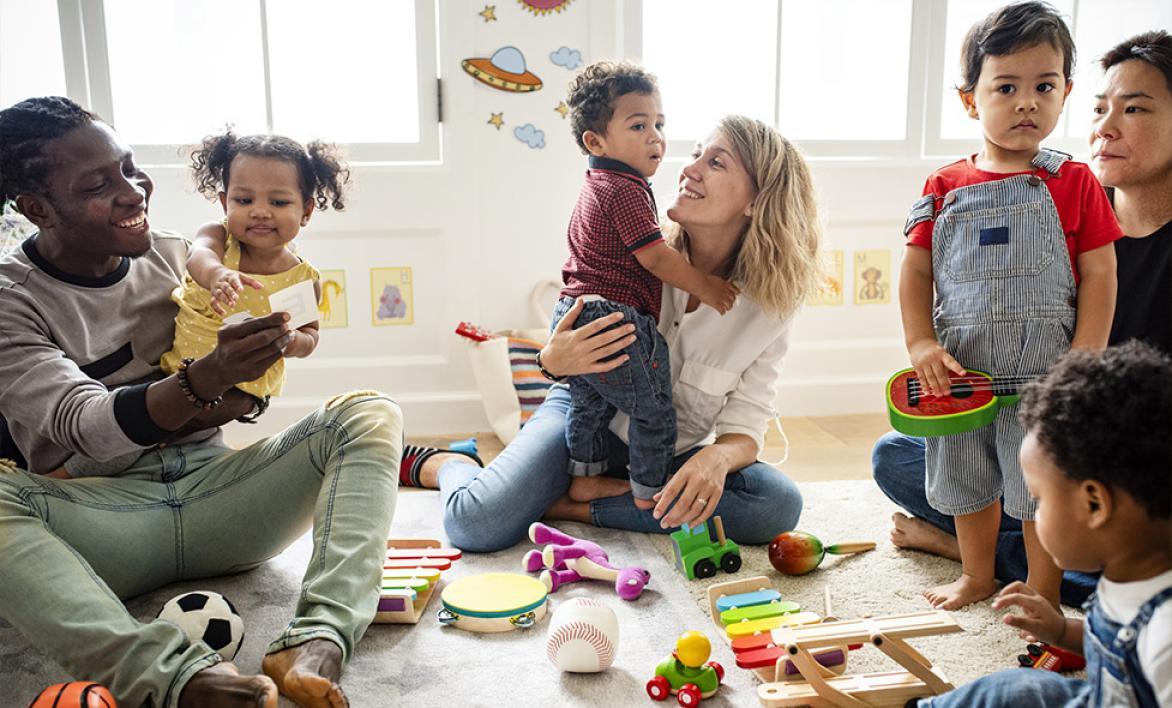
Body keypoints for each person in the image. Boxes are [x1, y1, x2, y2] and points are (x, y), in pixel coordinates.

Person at [0, 96, 403, 708]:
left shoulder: (176, 257)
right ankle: (170, 678)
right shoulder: (11, 300)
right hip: (104, 516)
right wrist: (206, 381)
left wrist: (252, 380)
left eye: (131, 168)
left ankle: (319, 636)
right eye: (99, 183)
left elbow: (255, 379)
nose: (134, 191)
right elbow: (87, 427)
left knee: (369, 412)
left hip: (218, 495)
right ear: (37, 208)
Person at [402, 114, 820, 553]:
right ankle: (449, 463)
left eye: (716, 163)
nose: (689, 169)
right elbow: (562, 339)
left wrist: (716, 458)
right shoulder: (636, 247)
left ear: (757, 201)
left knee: (775, 504)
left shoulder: (769, 306)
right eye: (696, 153)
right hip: (584, 421)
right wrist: (551, 361)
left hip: (668, 453)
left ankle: (571, 508)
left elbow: (746, 425)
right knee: (475, 524)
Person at [875, 29, 1172, 609]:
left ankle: (1034, 576)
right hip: (976, 387)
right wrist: (921, 344)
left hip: (1080, 417)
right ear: (971, 99)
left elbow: (1100, 281)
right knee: (917, 460)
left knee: (1043, 490)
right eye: (1006, 87)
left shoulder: (1072, 184)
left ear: (1059, 92)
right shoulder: (948, 186)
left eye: (1044, 87)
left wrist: (1080, 363)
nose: (1026, 103)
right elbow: (916, 272)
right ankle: (985, 566)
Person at [60, 130, 347, 481]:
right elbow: (199, 257)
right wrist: (218, 275)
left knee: (172, 435)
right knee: (133, 433)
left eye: (278, 202)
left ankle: (74, 478)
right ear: (226, 203)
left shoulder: (300, 279)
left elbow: (310, 336)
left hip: (242, 386)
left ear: (306, 211)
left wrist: (289, 340)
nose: (259, 212)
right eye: (244, 200)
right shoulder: (220, 239)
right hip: (181, 369)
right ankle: (64, 476)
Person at [913, 342, 1172, 708]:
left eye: (1039, 499)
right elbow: (1117, 647)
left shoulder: (1166, 636)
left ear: (1094, 504)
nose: (1031, 514)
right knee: (1014, 690)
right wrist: (1063, 631)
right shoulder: (1130, 571)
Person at [553, 61, 737, 510]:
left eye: (659, 123)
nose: (655, 135)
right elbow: (654, 256)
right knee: (654, 409)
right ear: (595, 142)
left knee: (589, 406)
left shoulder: (598, 182)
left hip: (575, 308)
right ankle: (650, 492)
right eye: (638, 125)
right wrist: (708, 287)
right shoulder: (624, 188)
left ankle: (585, 479)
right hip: (610, 315)